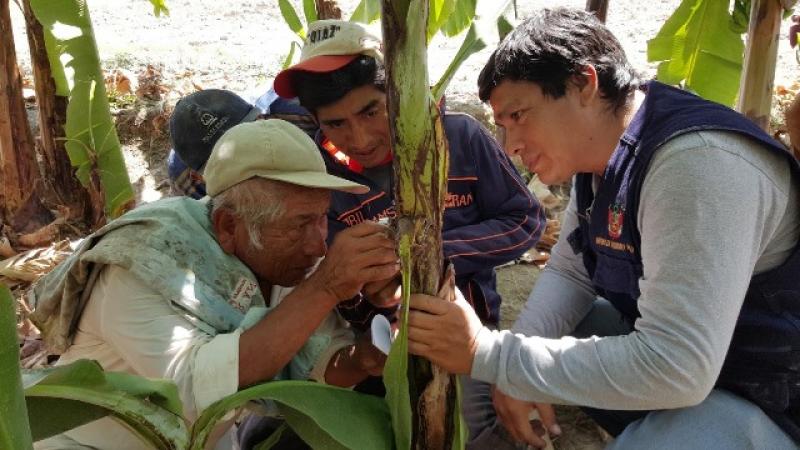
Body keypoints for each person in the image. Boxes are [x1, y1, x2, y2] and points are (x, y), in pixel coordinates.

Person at [405, 7, 800, 450]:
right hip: (719, 367)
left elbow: (678, 366)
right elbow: (570, 272)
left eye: (519, 116)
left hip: (774, 401)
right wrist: (512, 372)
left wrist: (491, 355)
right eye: (502, 124)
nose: (510, 146)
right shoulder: (602, 159)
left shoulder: (697, 163)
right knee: (561, 329)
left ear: (584, 83)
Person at [29, 119, 397, 449]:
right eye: (300, 225)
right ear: (228, 227)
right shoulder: (142, 263)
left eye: (321, 219)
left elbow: (312, 361)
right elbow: (195, 389)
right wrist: (326, 286)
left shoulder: (283, 259)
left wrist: (366, 357)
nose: (318, 243)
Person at [273, 19, 546, 332]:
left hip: (472, 336)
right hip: (382, 351)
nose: (360, 140)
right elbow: (344, 299)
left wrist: (427, 253)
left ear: (397, 90)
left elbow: (524, 219)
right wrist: (368, 289)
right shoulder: (318, 180)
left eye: (370, 112)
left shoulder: (458, 138)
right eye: (336, 124)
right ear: (315, 120)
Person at [167, 88, 316, 198]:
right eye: (229, 165)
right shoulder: (184, 180)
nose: (248, 164)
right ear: (199, 177)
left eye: (252, 146)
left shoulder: (300, 114)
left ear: (263, 119)